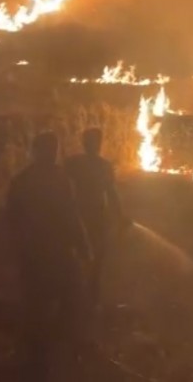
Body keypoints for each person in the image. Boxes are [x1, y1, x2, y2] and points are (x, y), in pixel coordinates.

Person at [6, 131, 90, 381]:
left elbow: (11, 218)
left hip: (35, 252)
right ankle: (53, 357)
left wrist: (17, 248)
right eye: (51, 150)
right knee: (67, 301)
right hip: (54, 251)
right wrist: (84, 246)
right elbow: (72, 216)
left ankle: (36, 357)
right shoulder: (60, 179)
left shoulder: (22, 180)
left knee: (37, 303)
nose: (53, 154)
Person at [65, 127, 128, 307]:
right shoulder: (103, 166)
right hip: (95, 214)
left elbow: (111, 191)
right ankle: (90, 293)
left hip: (79, 213)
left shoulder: (73, 163)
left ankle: (80, 293)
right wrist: (120, 215)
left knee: (79, 254)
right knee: (96, 255)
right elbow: (111, 192)